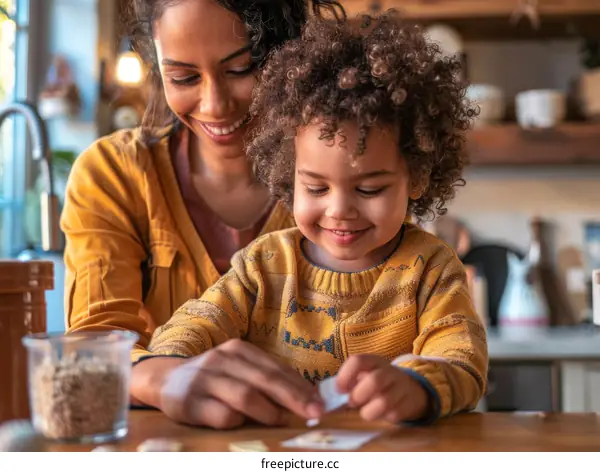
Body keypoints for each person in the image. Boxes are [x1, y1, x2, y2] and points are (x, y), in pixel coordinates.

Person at [139, 12, 489, 430]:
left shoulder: (430, 268)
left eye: (369, 189)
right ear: (289, 175)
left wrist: (418, 385)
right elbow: (198, 321)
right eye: (317, 189)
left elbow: (460, 359)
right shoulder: (264, 264)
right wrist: (174, 364)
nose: (339, 210)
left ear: (416, 177)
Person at [60, 0, 345, 428]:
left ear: (290, 54)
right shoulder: (114, 174)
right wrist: (162, 379)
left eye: (240, 69)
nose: (214, 105)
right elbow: (92, 346)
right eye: (184, 77)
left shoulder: (346, 176)